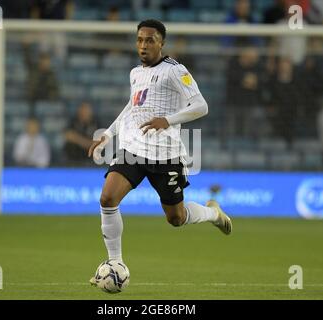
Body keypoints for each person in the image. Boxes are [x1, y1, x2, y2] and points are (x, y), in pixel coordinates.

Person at [88, 19, 232, 286]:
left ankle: (213, 213)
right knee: (107, 198)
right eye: (140, 40)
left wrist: (168, 119)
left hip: (166, 155)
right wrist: (108, 134)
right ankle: (115, 262)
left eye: (150, 40)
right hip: (133, 150)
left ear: (161, 43)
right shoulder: (135, 73)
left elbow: (201, 106)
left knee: (176, 218)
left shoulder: (174, 71)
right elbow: (131, 109)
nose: (143, 45)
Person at [63, 102, 100, 166]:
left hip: (92, 159)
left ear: (90, 112)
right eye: (82, 110)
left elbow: (97, 143)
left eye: (86, 110)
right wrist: (87, 142)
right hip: (74, 158)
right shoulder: (73, 121)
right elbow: (68, 135)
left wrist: (77, 139)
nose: (84, 113)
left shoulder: (96, 123)